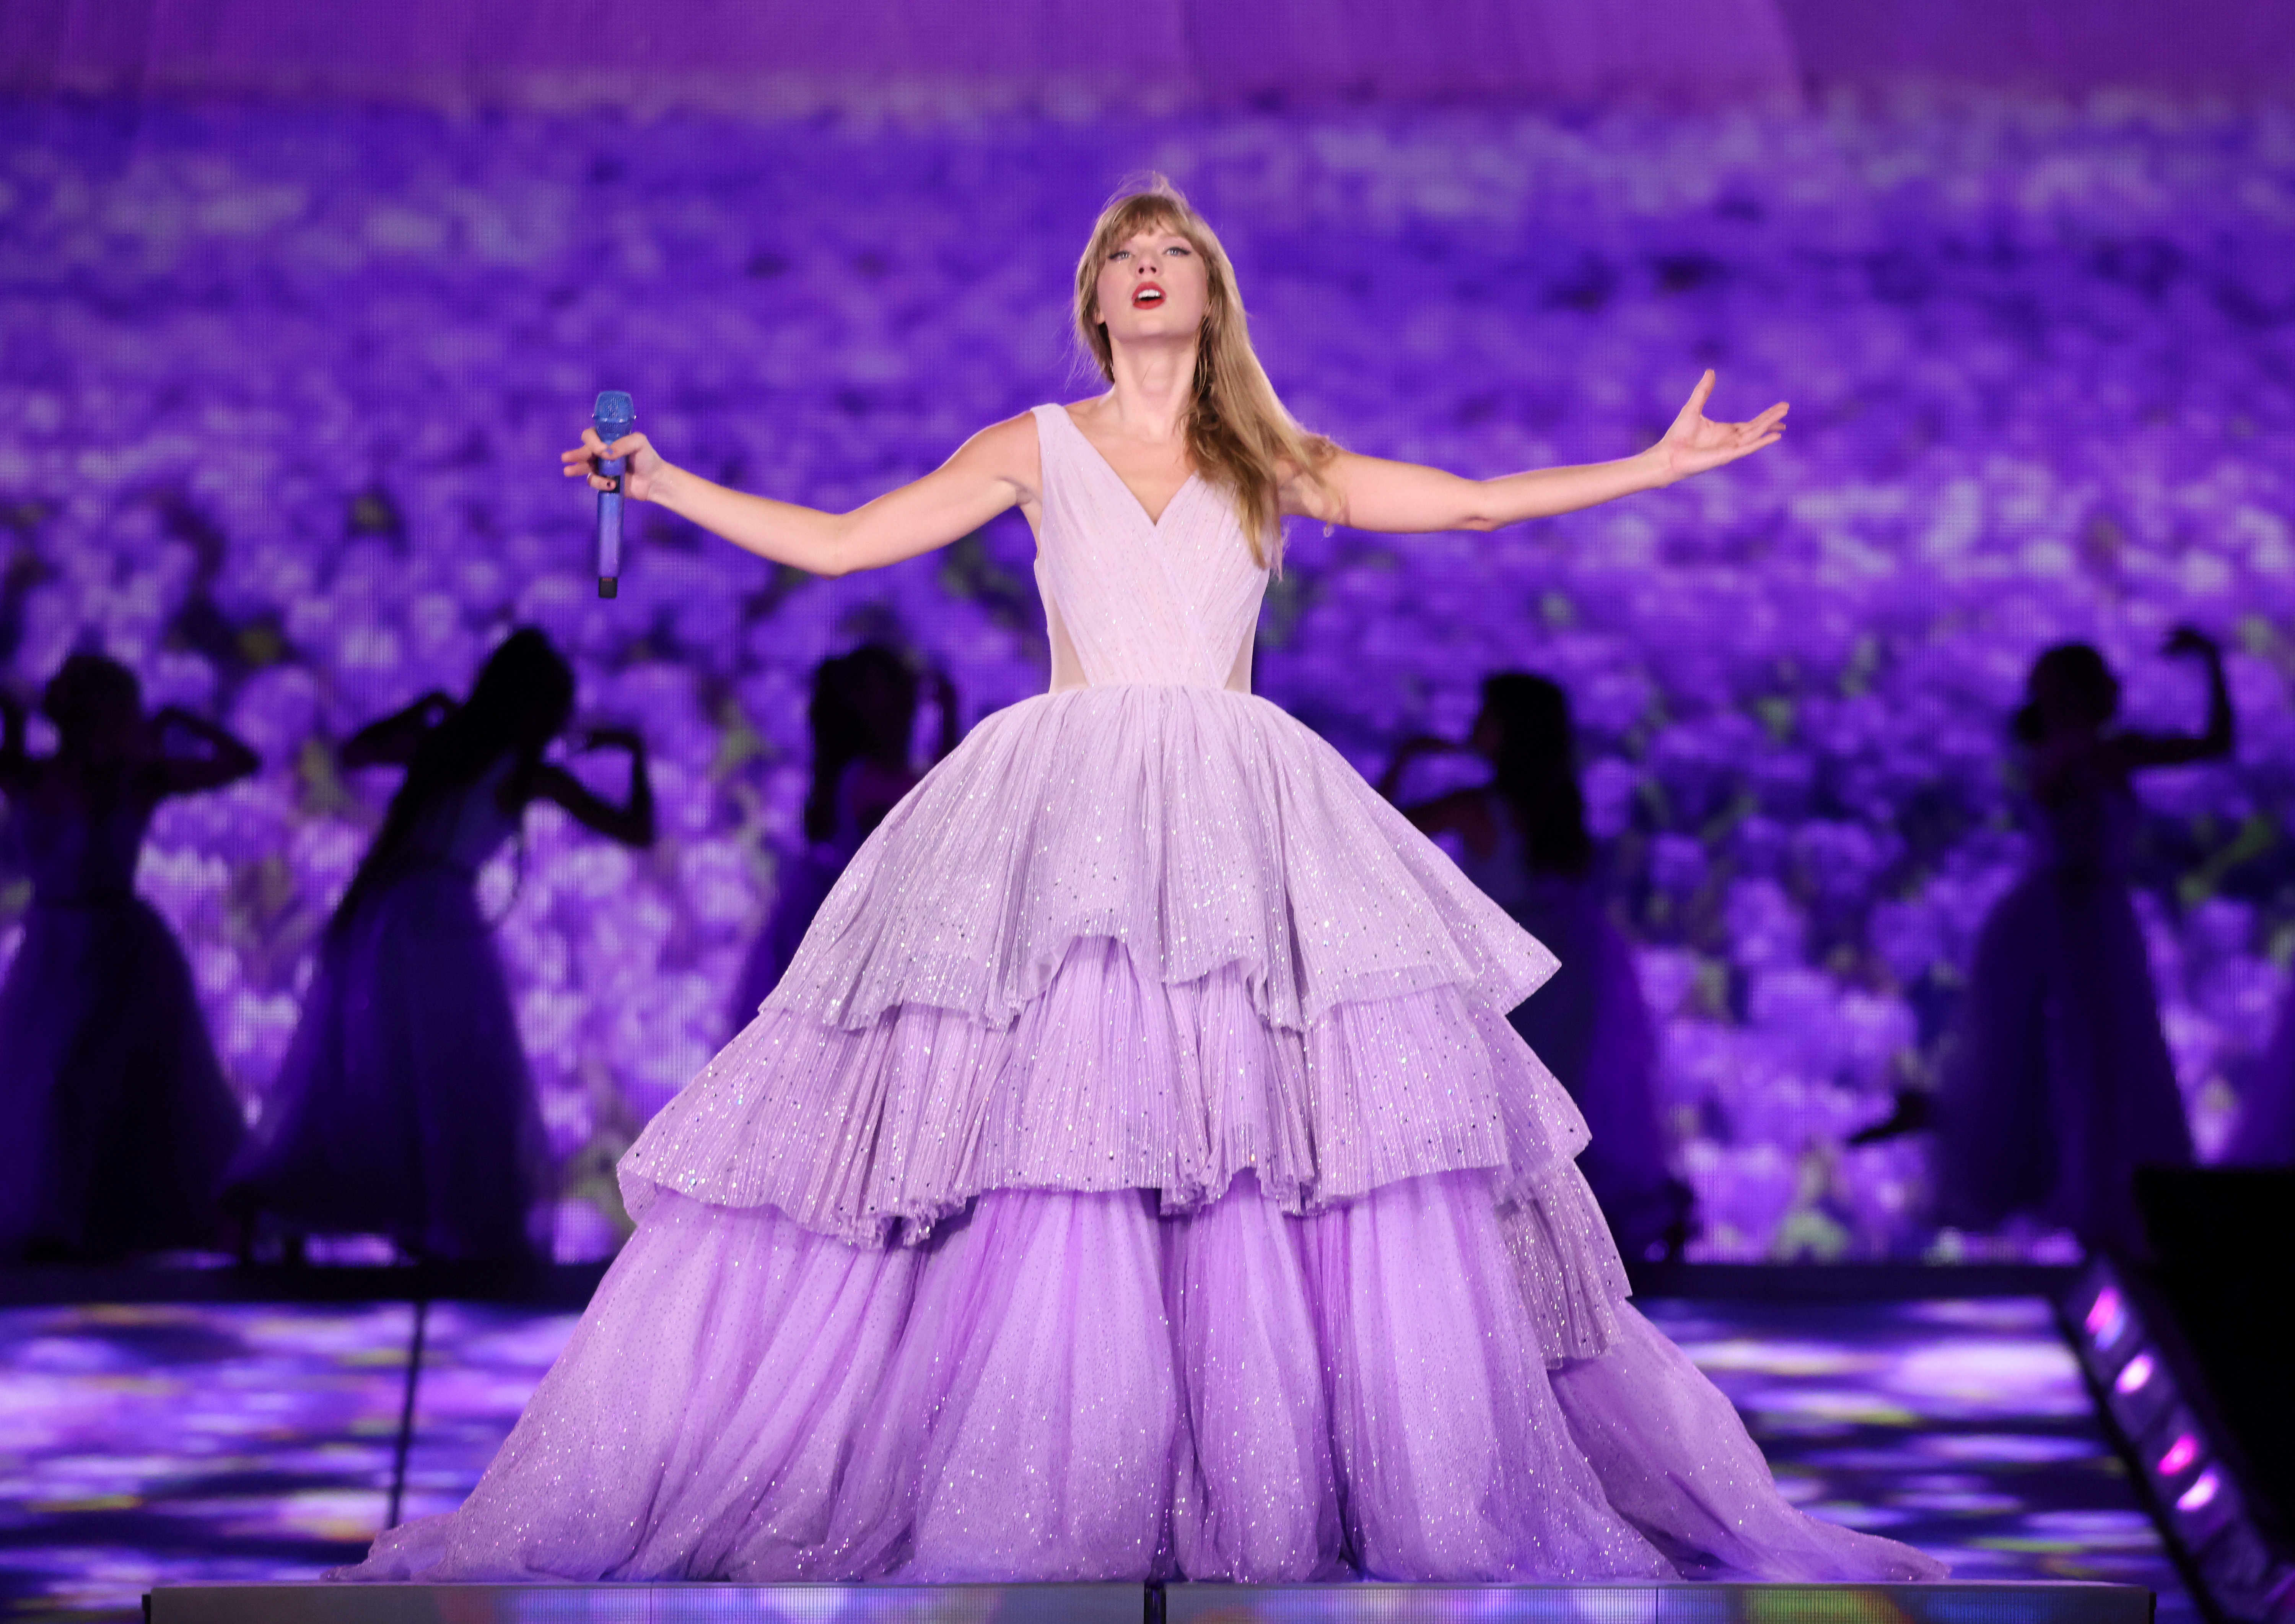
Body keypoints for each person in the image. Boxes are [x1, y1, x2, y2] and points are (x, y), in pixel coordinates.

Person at [340, 179, 1940, 1583]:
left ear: (1210, 294)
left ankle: (1247, 1491)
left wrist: (1650, 471)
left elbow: (1457, 500)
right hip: (1072, 811)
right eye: (1128, 253)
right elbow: (841, 543)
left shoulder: (1272, 457)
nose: (1153, 267)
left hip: (1242, 814)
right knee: (1068, 1140)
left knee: (1259, 1149)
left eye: (1177, 250)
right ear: (1097, 299)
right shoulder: (1034, 446)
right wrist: (665, 480)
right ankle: (1050, 1490)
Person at [228, 629, 654, 1263]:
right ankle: (428, 1216)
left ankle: (393, 1213)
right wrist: (633, 756)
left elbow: (358, 749)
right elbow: (634, 827)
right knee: (443, 1068)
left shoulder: (450, 748)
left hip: (394, 910)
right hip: (431, 917)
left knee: (392, 1068)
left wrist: (423, 712)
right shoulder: (512, 767)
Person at [1380, 673, 1691, 1262]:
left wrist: (1407, 758)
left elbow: (1374, 832)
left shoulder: (1476, 806)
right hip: (1567, 973)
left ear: (1508, 731)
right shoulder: (1556, 809)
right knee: (1555, 1119)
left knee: (1502, 1117)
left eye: (1486, 715)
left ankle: (1519, 1258)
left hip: (1509, 977)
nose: (1473, 726)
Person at [1936, 630, 2230, 1250]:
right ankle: (2093, 1206)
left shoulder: (2098, 753)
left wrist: (2212, 663)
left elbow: (2214, 744)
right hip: (2067, 919)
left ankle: (2112, 1206)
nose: (2111, 690)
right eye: (2095, 680)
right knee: (2083, 1060)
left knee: (2112, 1058)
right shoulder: (2077, 757)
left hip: (2098, 914)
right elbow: (2182, 751)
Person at [0, 654, 256, 1260]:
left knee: (78, 1075)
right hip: (51, 944)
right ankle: (59, 1221)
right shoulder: (24, 772)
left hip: (115, 946)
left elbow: (242, 762)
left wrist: (174, 723)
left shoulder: (136, 778)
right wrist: (10, 720)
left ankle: (57, 1225)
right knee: (39, 1080)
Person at [726, 644, 959, 1032]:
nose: (903, 712)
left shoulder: (883, 779)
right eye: (894, 700)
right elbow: (934, 822)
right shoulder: (867, 784)